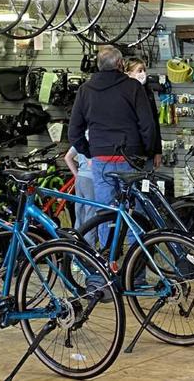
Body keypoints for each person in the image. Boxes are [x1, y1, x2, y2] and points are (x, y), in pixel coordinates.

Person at [68, 45, 157, 246]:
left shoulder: (85, 90)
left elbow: (74, 132)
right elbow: (148, 125)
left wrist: (89, 152)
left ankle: (108, 258)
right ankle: (137, 261)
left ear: (99, 65)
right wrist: (147, 152)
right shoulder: (133, 87)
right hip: (131, 158)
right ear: (120, 63)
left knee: (105, 213)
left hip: (101, 160)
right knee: (135, 212)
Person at [124, 57, 163, 169]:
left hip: (148, 153)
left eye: (144, 70)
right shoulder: (123, 93)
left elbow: (154, 122)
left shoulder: (147, 92)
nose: (143, 74)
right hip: (130, 151)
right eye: (139, 70)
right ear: (128, 73)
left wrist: (157, 151)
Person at [64, 145, 96, 242]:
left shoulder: (81, 139)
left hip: (80, 178)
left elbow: (67, 157)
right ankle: (88, 247)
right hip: (92, 179)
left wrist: (76, 174)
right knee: (91, 217)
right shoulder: (96, 138)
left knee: (79, 215)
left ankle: (75, 245)